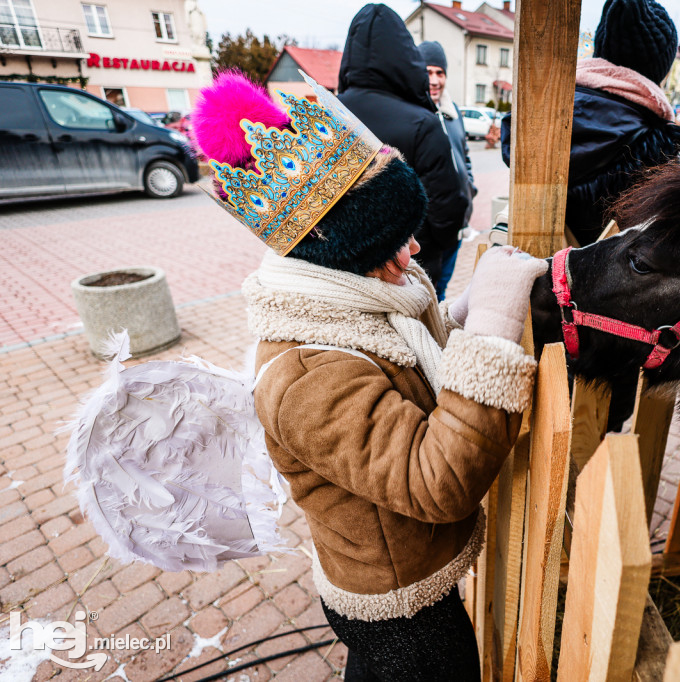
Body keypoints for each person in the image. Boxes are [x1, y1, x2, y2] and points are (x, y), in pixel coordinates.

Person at [193, 70, 548, 681]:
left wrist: (456, 321)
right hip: (399, 610)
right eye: (392, 245)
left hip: (410, 577)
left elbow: (406, 374)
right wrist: (490, 323)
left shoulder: (355, 303)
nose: (412, 253)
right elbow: (437, 481)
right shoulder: (307, 375)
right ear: (342, 255)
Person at [499, 0, 680, 246]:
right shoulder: (658, 150)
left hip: (534, 272)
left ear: (602, 47)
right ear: (659, 69)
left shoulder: (540, 114)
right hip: (601, 280)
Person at [337, 4, 469, 287]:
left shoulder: (330, 113)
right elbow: (445, 204)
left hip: (341, 265)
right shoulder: (423, 123)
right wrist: (439, 245)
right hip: (408, 263)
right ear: (405, 56)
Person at [418, 40, 476, 300]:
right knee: (425, 292)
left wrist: (470, 188)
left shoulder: (454, 115)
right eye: (428, 72)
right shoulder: (418, 116)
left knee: (442, 289)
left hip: (456, 226)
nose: (434, 80)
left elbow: (465, 157)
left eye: (439, 73)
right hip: (428, 230)